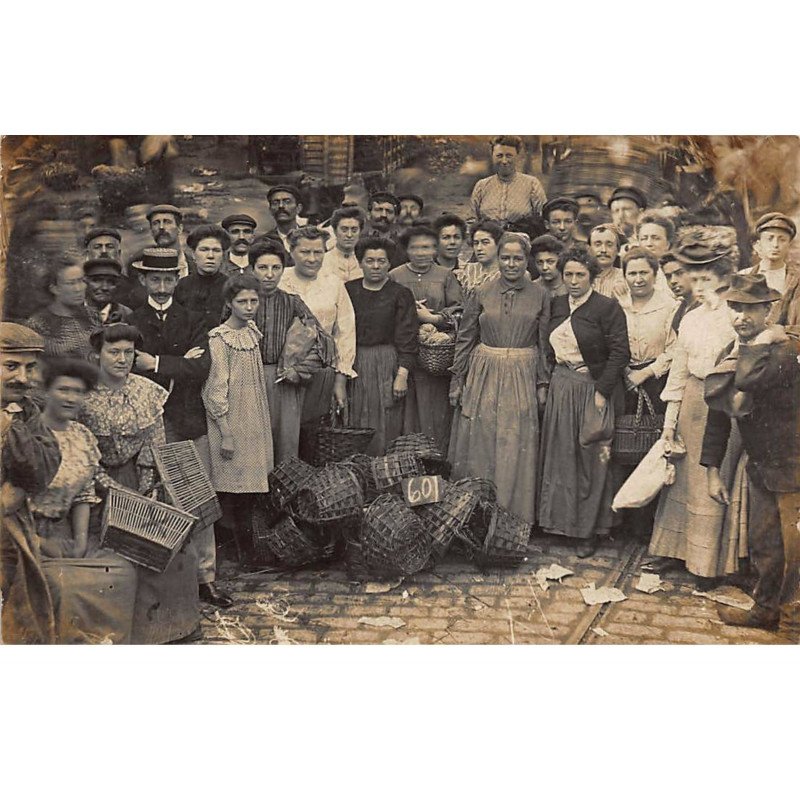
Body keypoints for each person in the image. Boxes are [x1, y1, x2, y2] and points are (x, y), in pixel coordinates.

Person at [79, 323, 201, 644]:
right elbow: (83, 454)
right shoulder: (83, 397)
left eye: (129, 353)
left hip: (139, 478)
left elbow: (153, 447)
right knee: (113, 552)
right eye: (114, 352)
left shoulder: (146, 392)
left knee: (165, 544)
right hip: (94, 485)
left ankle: (167, 627)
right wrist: (110, 488)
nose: (122, 359)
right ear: (97, 354)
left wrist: (148, 494)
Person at [127, 248, 229, 608]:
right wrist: (177, 362)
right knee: (149, 496)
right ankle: (160, 580)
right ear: (142, 281)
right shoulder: (132, 321)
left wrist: (154, 361)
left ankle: (206, 578)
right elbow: (128, 367)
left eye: (168, 278)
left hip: (187, 419)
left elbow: (201, 369)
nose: (161, 285)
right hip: (146, 422)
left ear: (177, 281)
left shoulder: (194, 319)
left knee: (197, 496)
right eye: (154, 278)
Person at [701, 273, 798, 630]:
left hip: (792, 466)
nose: (741, 317)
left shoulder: (784, 351)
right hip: (762, 465)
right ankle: (765, 611)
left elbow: (748, 381)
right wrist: (712, 470)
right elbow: (718, 414)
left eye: (750, 310)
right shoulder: (730, 353)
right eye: (735, 308)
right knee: (765, 546)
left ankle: (791, 625)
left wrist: (762, 342)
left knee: (795, 551)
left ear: (767, 311)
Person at [648, 244, 741, 586]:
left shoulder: (733, 317)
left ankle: (707, 564)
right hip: (690, 400)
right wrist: (668, 425)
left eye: (707, 279)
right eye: (696, 279)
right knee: (683, 479)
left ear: (723, 280)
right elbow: (679, 372)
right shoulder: (689, 318)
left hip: (722, 403)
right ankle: (674, 551)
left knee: (711, 481)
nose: (700, 287)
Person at [31, 358, 138, 643]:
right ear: (46, 392)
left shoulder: (82, 436)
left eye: (78, 392)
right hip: (26, 537)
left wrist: (79, 541)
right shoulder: (26, 436)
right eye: (63, 389)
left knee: (122, 574)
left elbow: (84, 495)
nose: (71, 398)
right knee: (68, 588)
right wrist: (40, 543)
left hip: (66, 532)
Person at [449, 233, 550, 523]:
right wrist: (458, 380)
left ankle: (511, 516)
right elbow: (466, 338)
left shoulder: (540, 294)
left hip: (522, 371)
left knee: (513, 440)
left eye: (518, 258)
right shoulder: (481, 291)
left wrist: (542, 383)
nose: (511, 264)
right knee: (481, 438)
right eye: (505, 258)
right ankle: (476, 514)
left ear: (526, 260)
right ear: (498, 258)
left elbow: (544, 344)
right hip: (484, 371)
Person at [539, 245, 630, 557]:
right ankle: (560, 525)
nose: (574, 280)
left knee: (591, 457)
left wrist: (603, 391)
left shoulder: (606, 308)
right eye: (569, 275)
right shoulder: (557, 304)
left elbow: (620, 353)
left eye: (580, 275)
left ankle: (589, 531)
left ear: (592, 276)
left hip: (593, 388)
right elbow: (547, 346)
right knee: (561, 455)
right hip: (562, 385)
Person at [203, 274, 274, 560]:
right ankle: (239, 553)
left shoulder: (251, 332)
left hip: (253, 416)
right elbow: (214, 390)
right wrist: (226, 432)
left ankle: (246, 550)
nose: (248, 307)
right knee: (233, 488)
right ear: (229, 303)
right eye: (241, 301)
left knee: (250, 486)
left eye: (253, 301)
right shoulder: (220, 339)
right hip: (231, 420)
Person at [0, 323, 61, 644]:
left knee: (21, 606)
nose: (22, 377)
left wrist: (20, 487)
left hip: (13, 531)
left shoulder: (27, 411)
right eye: (10, 366)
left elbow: (48, 460)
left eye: (29, 367)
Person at [249, 239, 333, 463]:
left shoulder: (292, 302)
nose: (269, 274)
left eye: (275, 268)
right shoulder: (240, 301)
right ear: (252, 269)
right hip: (247, 382)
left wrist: (299, 370)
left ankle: (283, 495)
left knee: (285, 447)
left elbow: (324, 343)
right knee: (252, 446)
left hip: (283, 381)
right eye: (262, 268)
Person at [615, 247, 679, 537]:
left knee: (650, 446)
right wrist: (626, 371)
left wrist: (646, 372)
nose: (638, 279)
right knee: (622, 444)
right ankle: (622, 521)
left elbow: (673, 349)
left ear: (655, 275)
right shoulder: (618, 304)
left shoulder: (669, 306)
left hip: (655, 381)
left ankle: (647, 525)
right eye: (632, 273)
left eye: (644, 273)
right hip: (623, 379)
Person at [389, 225, 464, 454]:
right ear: (407, 250)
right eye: (415, 247)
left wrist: (433, 318)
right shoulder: (395, 275)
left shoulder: (445, 276)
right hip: (402, 354)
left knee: (434, 412)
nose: (422, 253)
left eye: (427, 247)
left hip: (435, 357)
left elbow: (459, 310)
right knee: (406, 412)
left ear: (435, 249)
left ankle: (435, 461)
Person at [345, 237, 418, 455]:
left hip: (387, 363)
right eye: (370, 261)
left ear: (389, 264)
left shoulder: (400, 293)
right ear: (360, 262)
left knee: (387, 418)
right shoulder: (348, 290)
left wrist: (402, 375)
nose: (376, 266)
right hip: (354, 361)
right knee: (355, 416)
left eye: (381, 261)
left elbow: (408, 337)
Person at [279, 226, 357, 427]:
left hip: (321, 371)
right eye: (305, 252)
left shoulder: (334, 283)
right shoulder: (279, 280)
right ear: (291, 250)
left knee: (316, 432)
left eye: (318, 252)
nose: (312, 259)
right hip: (284, 372)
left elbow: (345, 333)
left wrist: (340, 381)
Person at [25, 258, 97, 360]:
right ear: (54, 288)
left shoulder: (93, 315)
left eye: (81, 281)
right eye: (71, 283)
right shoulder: (38, 324)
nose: (78, 288)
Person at [469, 135, 547, 226]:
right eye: (499, 156)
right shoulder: (481, 186)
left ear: (517, 156)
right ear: (492, 156)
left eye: (509, 156)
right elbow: (473, 220)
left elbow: (543, 218)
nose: (504, 161)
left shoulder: (532, 184)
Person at [172, 226, 231, 332]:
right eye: (204, 250)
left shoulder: (231, 287)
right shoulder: (180, 286)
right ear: (193, 254)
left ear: (223, 255)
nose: (210, 256)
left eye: (216, 250)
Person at [454, 220, 504, 295]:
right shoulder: (466, 271)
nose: (479, 248)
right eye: (476, 243)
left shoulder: (505, 273)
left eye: (485, 242)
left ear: (498, 244)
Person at [320, 206, 365, 282]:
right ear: (335, 231)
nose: (349, 235)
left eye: (354, 230)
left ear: (360, 231)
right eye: (344, 230)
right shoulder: (323, 260)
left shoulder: (366, 261)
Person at [83, 258, 132, 324]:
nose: (104, 287)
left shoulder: (127, 315)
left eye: (111, 282)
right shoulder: (68, 313)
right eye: (97, 280)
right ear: (85, 281)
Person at [660, 251, 700, 332]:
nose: (673, 281)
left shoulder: (706, 307)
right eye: (668, 276)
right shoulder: (678, 310)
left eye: (679, 273)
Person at [588, 223, 628, 299]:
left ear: (617, 250)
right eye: (598, 244)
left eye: (609, 245)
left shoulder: (625, 278)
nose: (603, 250)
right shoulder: (581, 276)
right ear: (589, 248)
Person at [268, 185, 308, 254]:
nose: (281, 206)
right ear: (270, 210)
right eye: (275, 203)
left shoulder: (311, 238)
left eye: (287, 202)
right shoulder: (264, 242)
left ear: (299, 208)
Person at [530, 234, 567, 299]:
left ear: (560, 260)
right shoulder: (531, 289)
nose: (544, 267)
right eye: (540, 262)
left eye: (550, 262)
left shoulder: (570, 287)